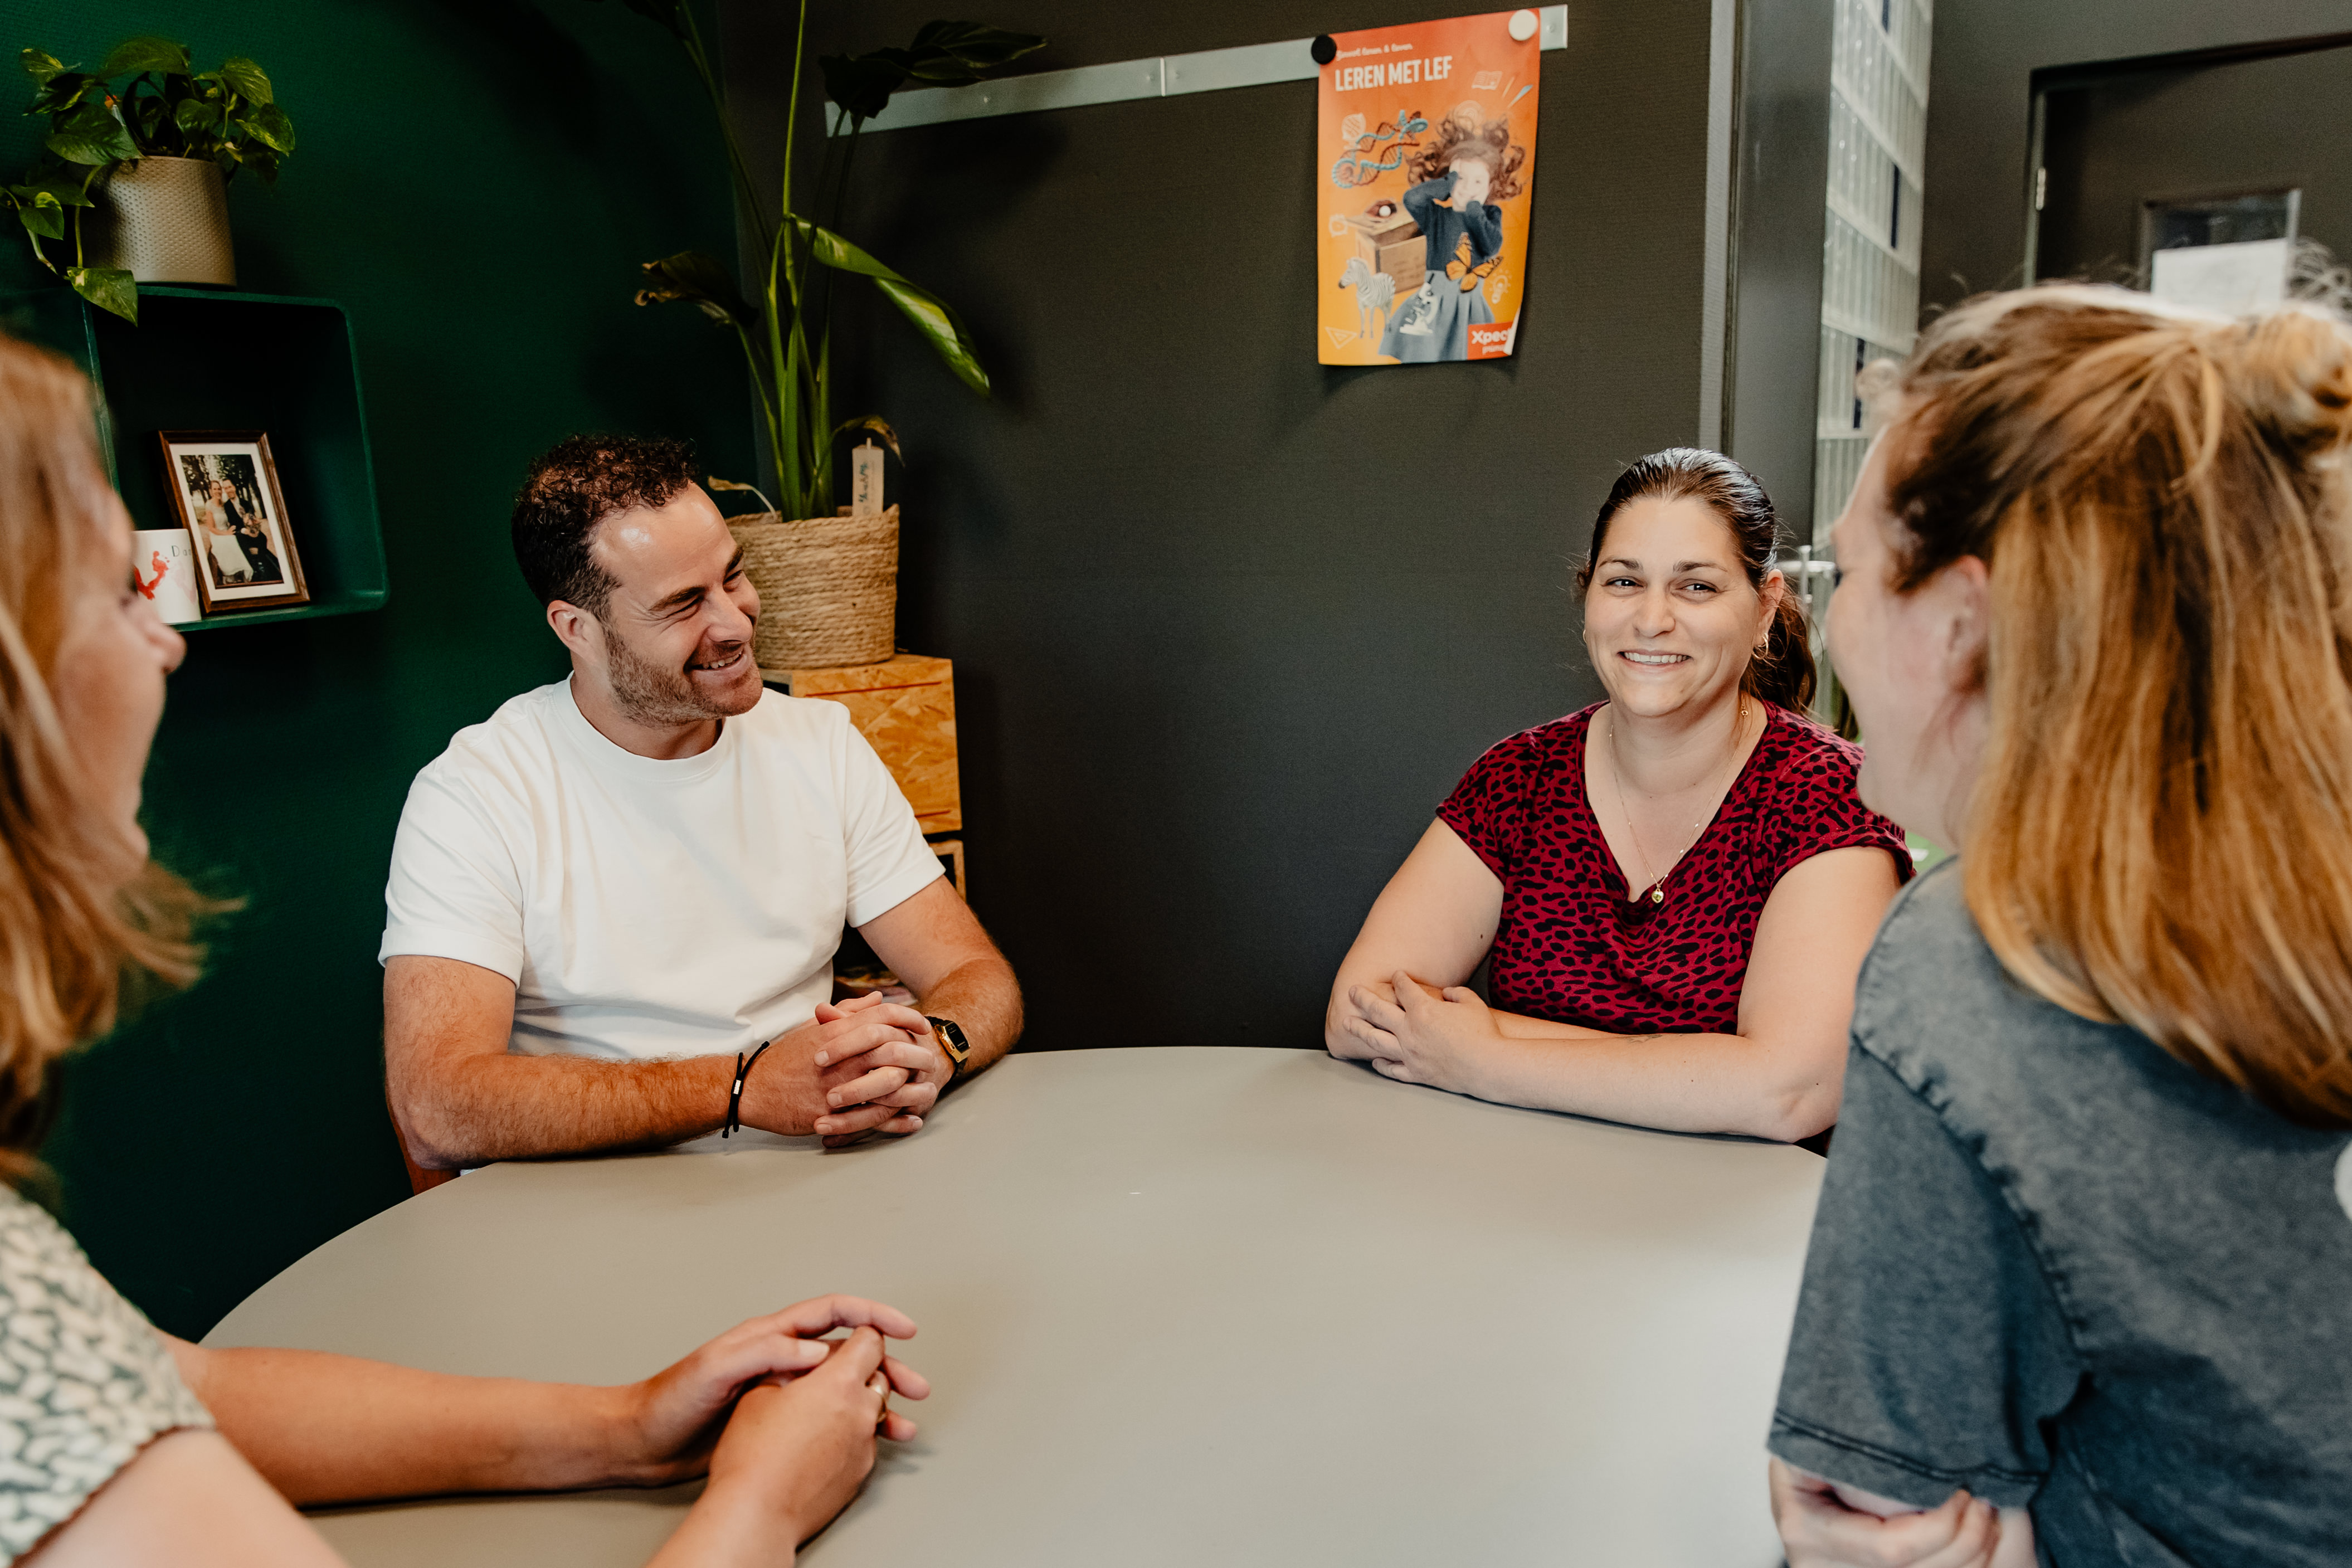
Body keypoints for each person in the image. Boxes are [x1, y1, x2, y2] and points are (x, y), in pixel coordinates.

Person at [0, 333, 928, 1563]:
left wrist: (633, 1426)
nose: (167, 637)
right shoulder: (481, 784)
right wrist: (756, 1506)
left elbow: (164, 1388)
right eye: (124, 589)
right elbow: (437, 1098)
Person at [1766, 286, 2352, 1567]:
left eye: (1849, 569)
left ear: (1962, 622)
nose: (1833, 620)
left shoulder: (1981, 966)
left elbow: (1870, 1514)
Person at [382, 436, 1022, 1168]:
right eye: (685, 603)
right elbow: (438, 1106)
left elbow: (976, 974)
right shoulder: (476, 795)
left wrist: (935, 1049)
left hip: (812, 1170)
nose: (735, 621)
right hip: (587, 1210)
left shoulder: (820, 743)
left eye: (733, 575)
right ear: (577, 629)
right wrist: (743, 1088)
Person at [1326, 449, 1908, 1142]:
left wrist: (1484, 1056)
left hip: (1734, 1232)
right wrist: (1709, 1073)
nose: (1653, 618)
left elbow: (1791, 1091)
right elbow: (1356, 1013)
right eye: (1625, 581)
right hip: (1527, 1201)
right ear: (1589, 599)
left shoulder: (1826, 794)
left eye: (1696, 587)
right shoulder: (1521, 778)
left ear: (1763, 611)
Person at [1377, 110, 1523, 363]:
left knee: (1468, 358)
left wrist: (1475, 210)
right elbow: (1412, 199)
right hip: (1432, 298)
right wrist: (1446, 185)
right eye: (1460, 178)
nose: (1467, 188)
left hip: (1468, 301)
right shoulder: (1436, 215)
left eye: (1478, 182)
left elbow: (1490, 247)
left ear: (1489, 188)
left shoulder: (1490, 214)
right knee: (1421, 356)